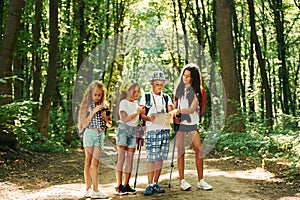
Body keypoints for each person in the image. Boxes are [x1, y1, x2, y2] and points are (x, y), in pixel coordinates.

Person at [173, 64, 213, 191]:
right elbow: (174, 105)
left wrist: (177, 110)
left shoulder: (198, 92)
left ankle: (201, 180)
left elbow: (191, 110)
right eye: (184, 75)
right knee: (180, 151)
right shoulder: (178, 89)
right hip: (180, 125)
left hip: (191, 124)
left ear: (193, 77)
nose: (185, 78)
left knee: (199, 150)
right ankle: (182, 180)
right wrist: (175, 115)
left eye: (188, 76)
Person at [140, 71, 174, 196]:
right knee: (151, 158)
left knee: (160, 157)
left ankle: (155, 182)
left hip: (164, 129)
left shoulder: (166, 97)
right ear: (151, 83)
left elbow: (171, 112)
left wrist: (172, 114)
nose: (160, 87)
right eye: (157, 84)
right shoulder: (146, 97)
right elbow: (142, 115)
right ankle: (149, 184)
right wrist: (149, 119)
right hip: (152, 130)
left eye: (161, 84)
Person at [78, 80, 112, 198]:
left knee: (95, 162)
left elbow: (109, 124)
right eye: (95, 94)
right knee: (88, 161)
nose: (97, 97)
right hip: (89, 134)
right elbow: (84, 123)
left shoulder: (105, 106)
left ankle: (96, 190)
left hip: (99, 135)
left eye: (99, 95)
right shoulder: (85, 106)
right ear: (90, 94)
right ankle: (88, 188)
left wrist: (105, 118)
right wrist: (93, 112)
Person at [114, 79, 145, 195]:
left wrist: (141, 125)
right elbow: (125, 119)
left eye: (138, 91)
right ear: (127, 91)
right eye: (134, 91)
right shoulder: (123, 103)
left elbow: (136, 120)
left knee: (130, 159)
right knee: (121, 158)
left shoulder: (137, 104)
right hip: (123, 130)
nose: (136, 94)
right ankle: (119, 185)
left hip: (133, 132)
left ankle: (126, 185)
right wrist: (137, 112)